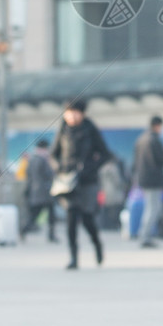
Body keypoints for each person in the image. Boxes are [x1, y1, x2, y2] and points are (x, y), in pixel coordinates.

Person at [50, 99, 110, 269]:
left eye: (75, 112)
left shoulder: (90, 129)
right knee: (70, 217)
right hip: (67, 182)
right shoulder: (62, 129)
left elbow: (105, 154)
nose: (71, 116)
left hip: (87, 181)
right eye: (68, 112)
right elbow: (53, 154)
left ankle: (97, 243)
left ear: (82, 114)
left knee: (86, 218)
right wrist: (59, 168)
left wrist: (90, 168)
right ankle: (73, 257)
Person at [132, 116, 163, 248]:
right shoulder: (154, 140)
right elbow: (162, 159)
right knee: (153, 209)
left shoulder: (140, 139)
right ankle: (145, 237)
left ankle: (145, 235)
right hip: (153, 179)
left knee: (150, 207)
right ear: (157, 125)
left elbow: (135, 161)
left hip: (143, 179)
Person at [22, 139, 57, 241]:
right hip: (45, 191)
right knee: (43, 214)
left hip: (35, 191)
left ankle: (25, 230)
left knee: (37, 214)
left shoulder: (32, 159)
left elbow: (28, 174)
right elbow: (49, 174)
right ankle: (25, 230)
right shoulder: (43, 159)